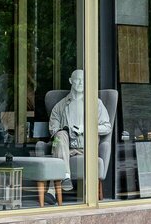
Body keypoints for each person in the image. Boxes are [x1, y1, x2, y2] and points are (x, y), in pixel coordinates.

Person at [47, 69, 111, 204]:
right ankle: (65, 177)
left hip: (86, 147)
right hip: (65, 148)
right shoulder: (60, 106)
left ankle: (52, 190)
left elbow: (107, 127)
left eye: (83, 80)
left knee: (57, 154)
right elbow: (53, 130)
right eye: (77, 79)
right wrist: (66, 131)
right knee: (59, 136)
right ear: (71, 81)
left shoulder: (95, 103)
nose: (81, 82)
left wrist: (86, 129)